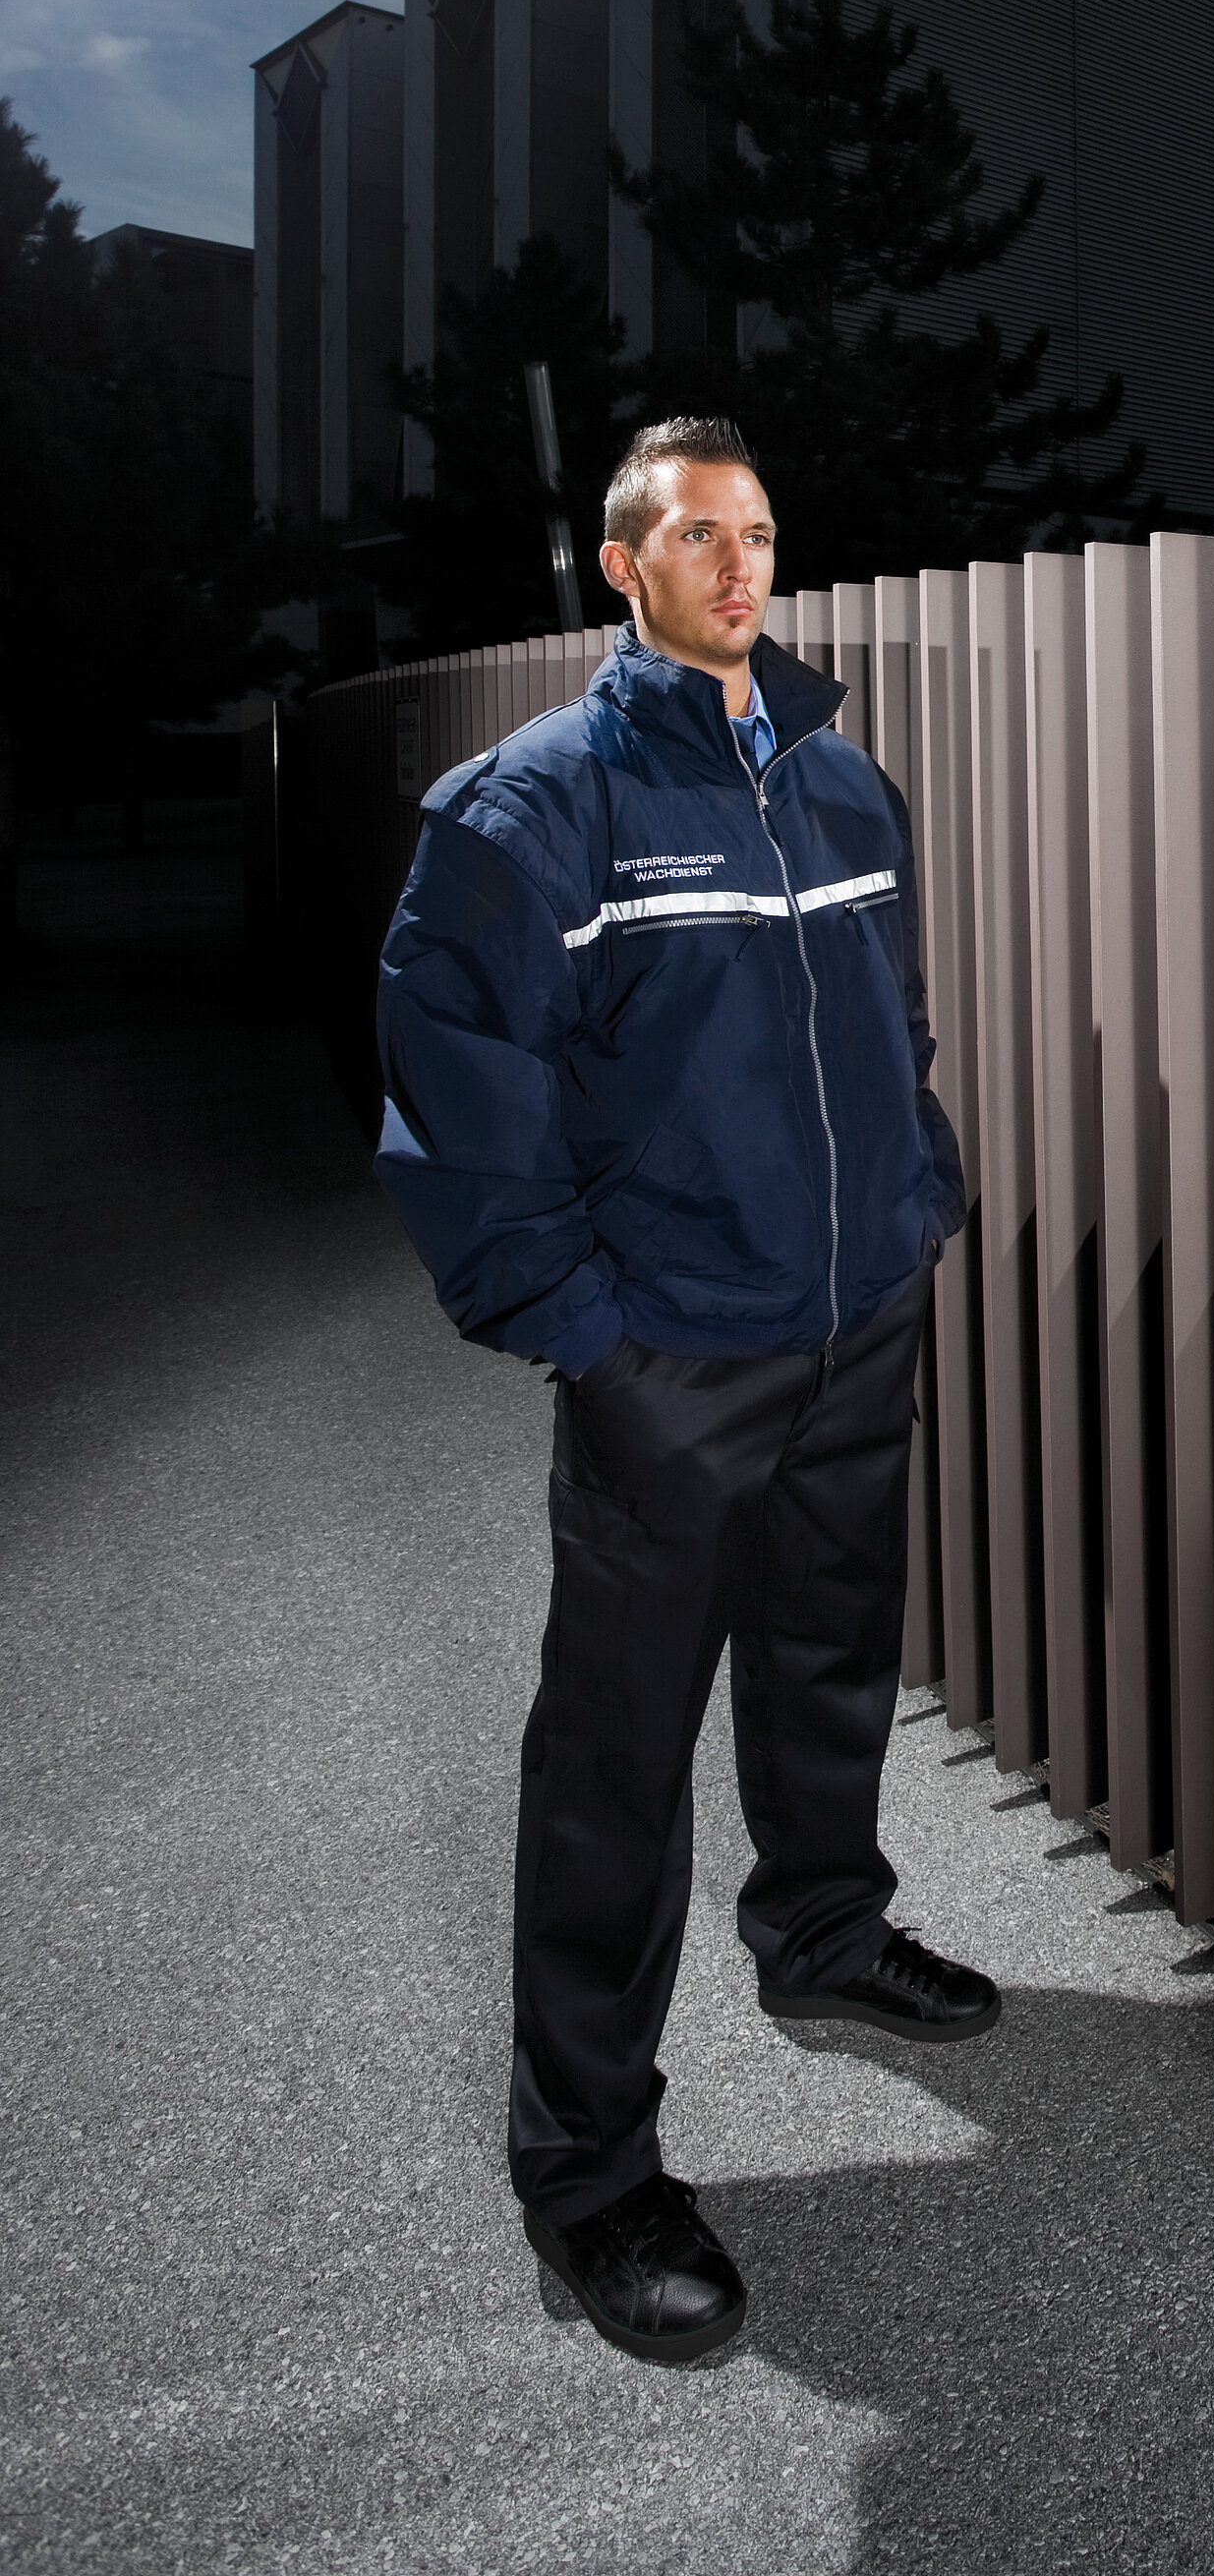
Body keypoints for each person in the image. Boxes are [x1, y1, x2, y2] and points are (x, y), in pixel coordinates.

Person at [375, 418, 992, 2367]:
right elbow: (463, 1101)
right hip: (671, 1357)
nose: (742, 565)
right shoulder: (526, 812)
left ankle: (818, 1932)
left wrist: (914, 1192)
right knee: (613, 1768)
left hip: (847, 1321)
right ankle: (587, 2175)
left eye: (762, 534)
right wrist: (580, 1329)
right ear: (617, 563)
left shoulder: (832, 780)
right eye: (698, 535)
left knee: (827, 1652)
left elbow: (879, 1023)